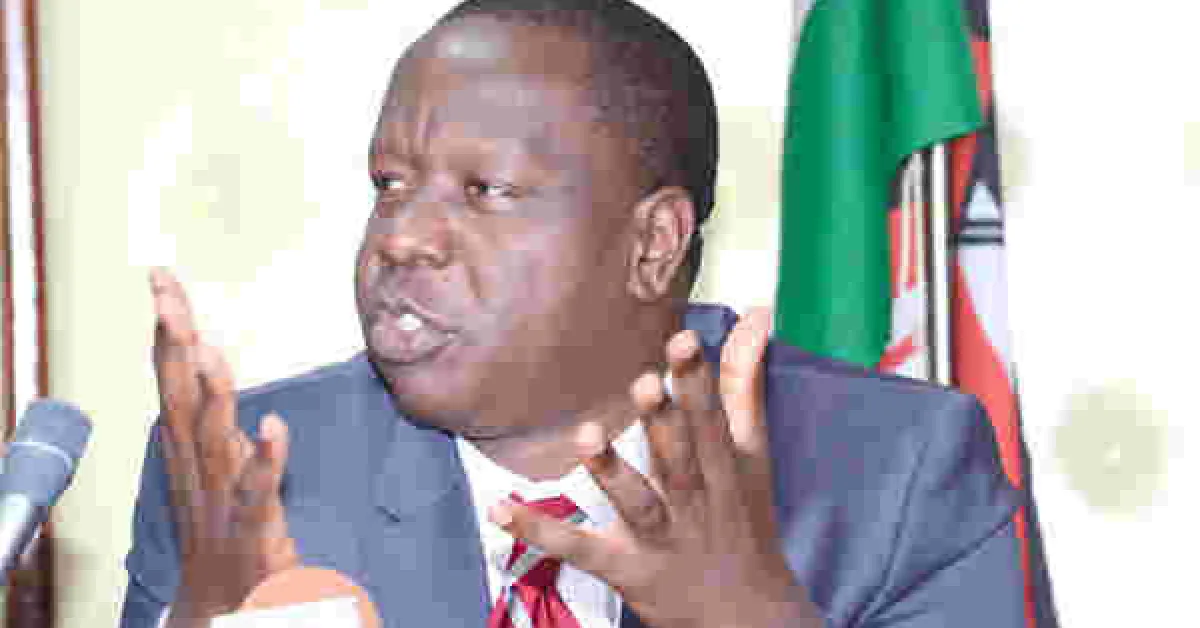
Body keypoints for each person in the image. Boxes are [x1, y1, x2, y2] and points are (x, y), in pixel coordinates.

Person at [120, 1, 1025, 627]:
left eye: (487, 190)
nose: (403, 238)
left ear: (653, 243)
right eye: (390, 184)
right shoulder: (249, 477)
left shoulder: (895, 471)